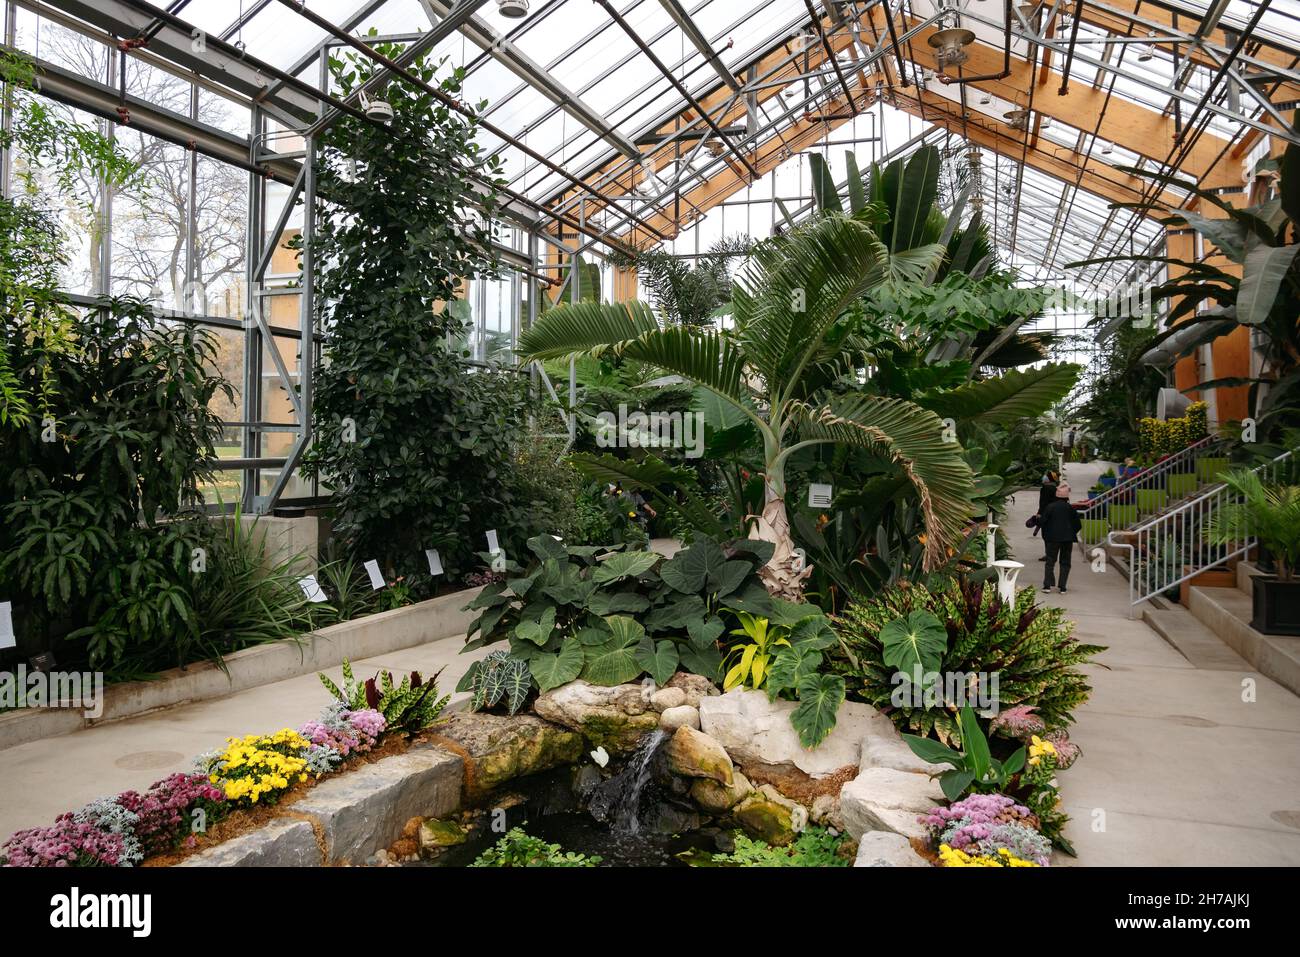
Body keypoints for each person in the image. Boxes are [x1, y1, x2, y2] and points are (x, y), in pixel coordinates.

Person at [1040, 483, 1083, 593]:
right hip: (1068, 539)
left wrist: (1046, 535)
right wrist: (1071, 532)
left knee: (1050, 561)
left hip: (1052, 539)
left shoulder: (1050, 507)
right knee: (1065, 562)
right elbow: (1078, 525)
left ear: (1056, 496)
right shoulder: (1070, 509)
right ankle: (1062, 587)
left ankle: (1047, 586)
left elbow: (1043, 522)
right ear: (1067, 497)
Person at [1034, 470, 1059, 560]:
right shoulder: (1055, 488)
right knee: (1051, 534)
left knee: (1046, 534)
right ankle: (1052, 554)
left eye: (1046, 476)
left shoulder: (1046, 488)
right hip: (1054, 514)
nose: (1044, 477)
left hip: (1046, 514)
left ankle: (1049, 555)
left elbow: (1043, 503)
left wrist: (1039, 513)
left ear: (1049, 479)